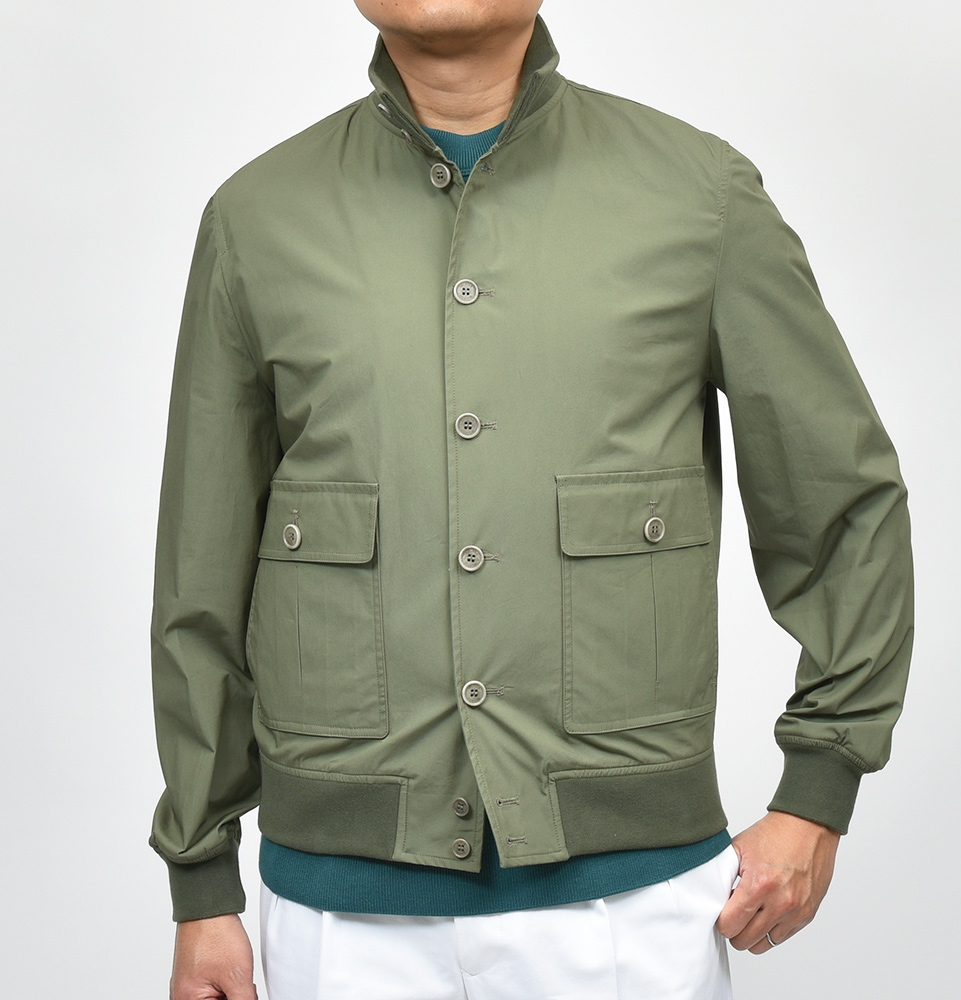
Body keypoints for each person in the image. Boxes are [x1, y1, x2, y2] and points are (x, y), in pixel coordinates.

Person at [149, 3, 914, 998]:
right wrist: (202, 881)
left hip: (630, 912)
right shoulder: (257, 219)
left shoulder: (698, 195)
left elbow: (840, 501)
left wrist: (818, 790)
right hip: (340, 920)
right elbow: (200, 569)